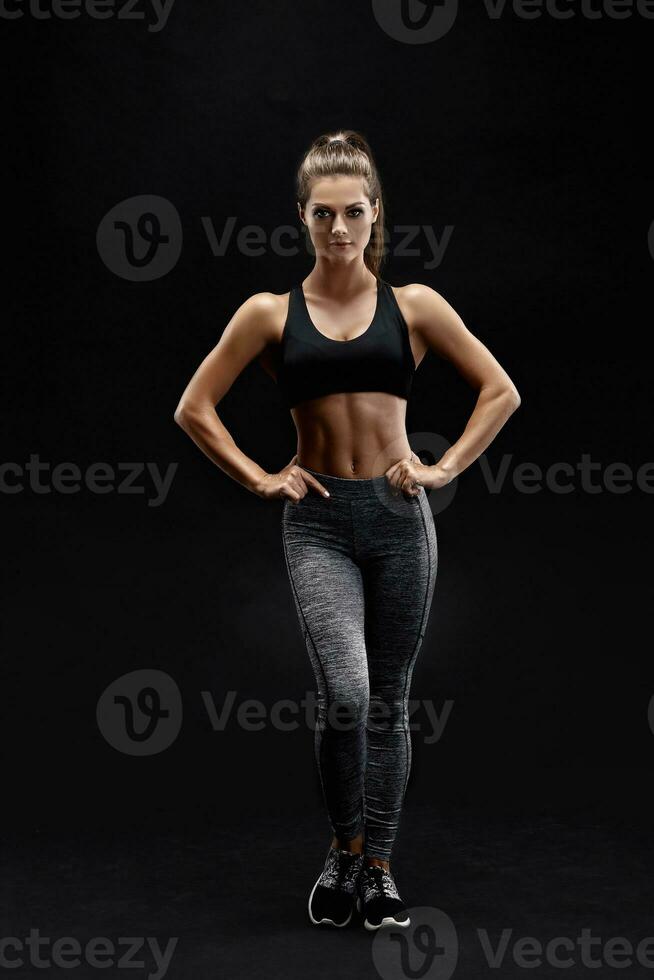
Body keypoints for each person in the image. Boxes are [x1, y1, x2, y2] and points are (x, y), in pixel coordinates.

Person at [174, 129, 521, 931]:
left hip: (401, 521)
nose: (339, 229)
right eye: (323, 214)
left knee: (390, 702)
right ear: (300, 217)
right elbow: (194, 408)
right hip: (320, 522)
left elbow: (500, 391)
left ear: (375, 217)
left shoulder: (416, 307)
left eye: (354, 213)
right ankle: (342, 847)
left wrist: (442, 469)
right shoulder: (268, 314)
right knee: (347, 694)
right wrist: (262, 477)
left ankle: (379, 870)